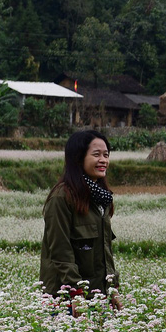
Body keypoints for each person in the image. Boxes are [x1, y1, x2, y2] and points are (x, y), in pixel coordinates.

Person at [40, 130, 122, 314]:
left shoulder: (100, 198)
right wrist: (75, 293)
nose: (103, 160)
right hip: (67, 299)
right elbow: (60, 251)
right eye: (96, 155)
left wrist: (112, 288)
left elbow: (104, 252)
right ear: (78, 158)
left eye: (106, 155)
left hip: (97, 295)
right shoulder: (62, 198)